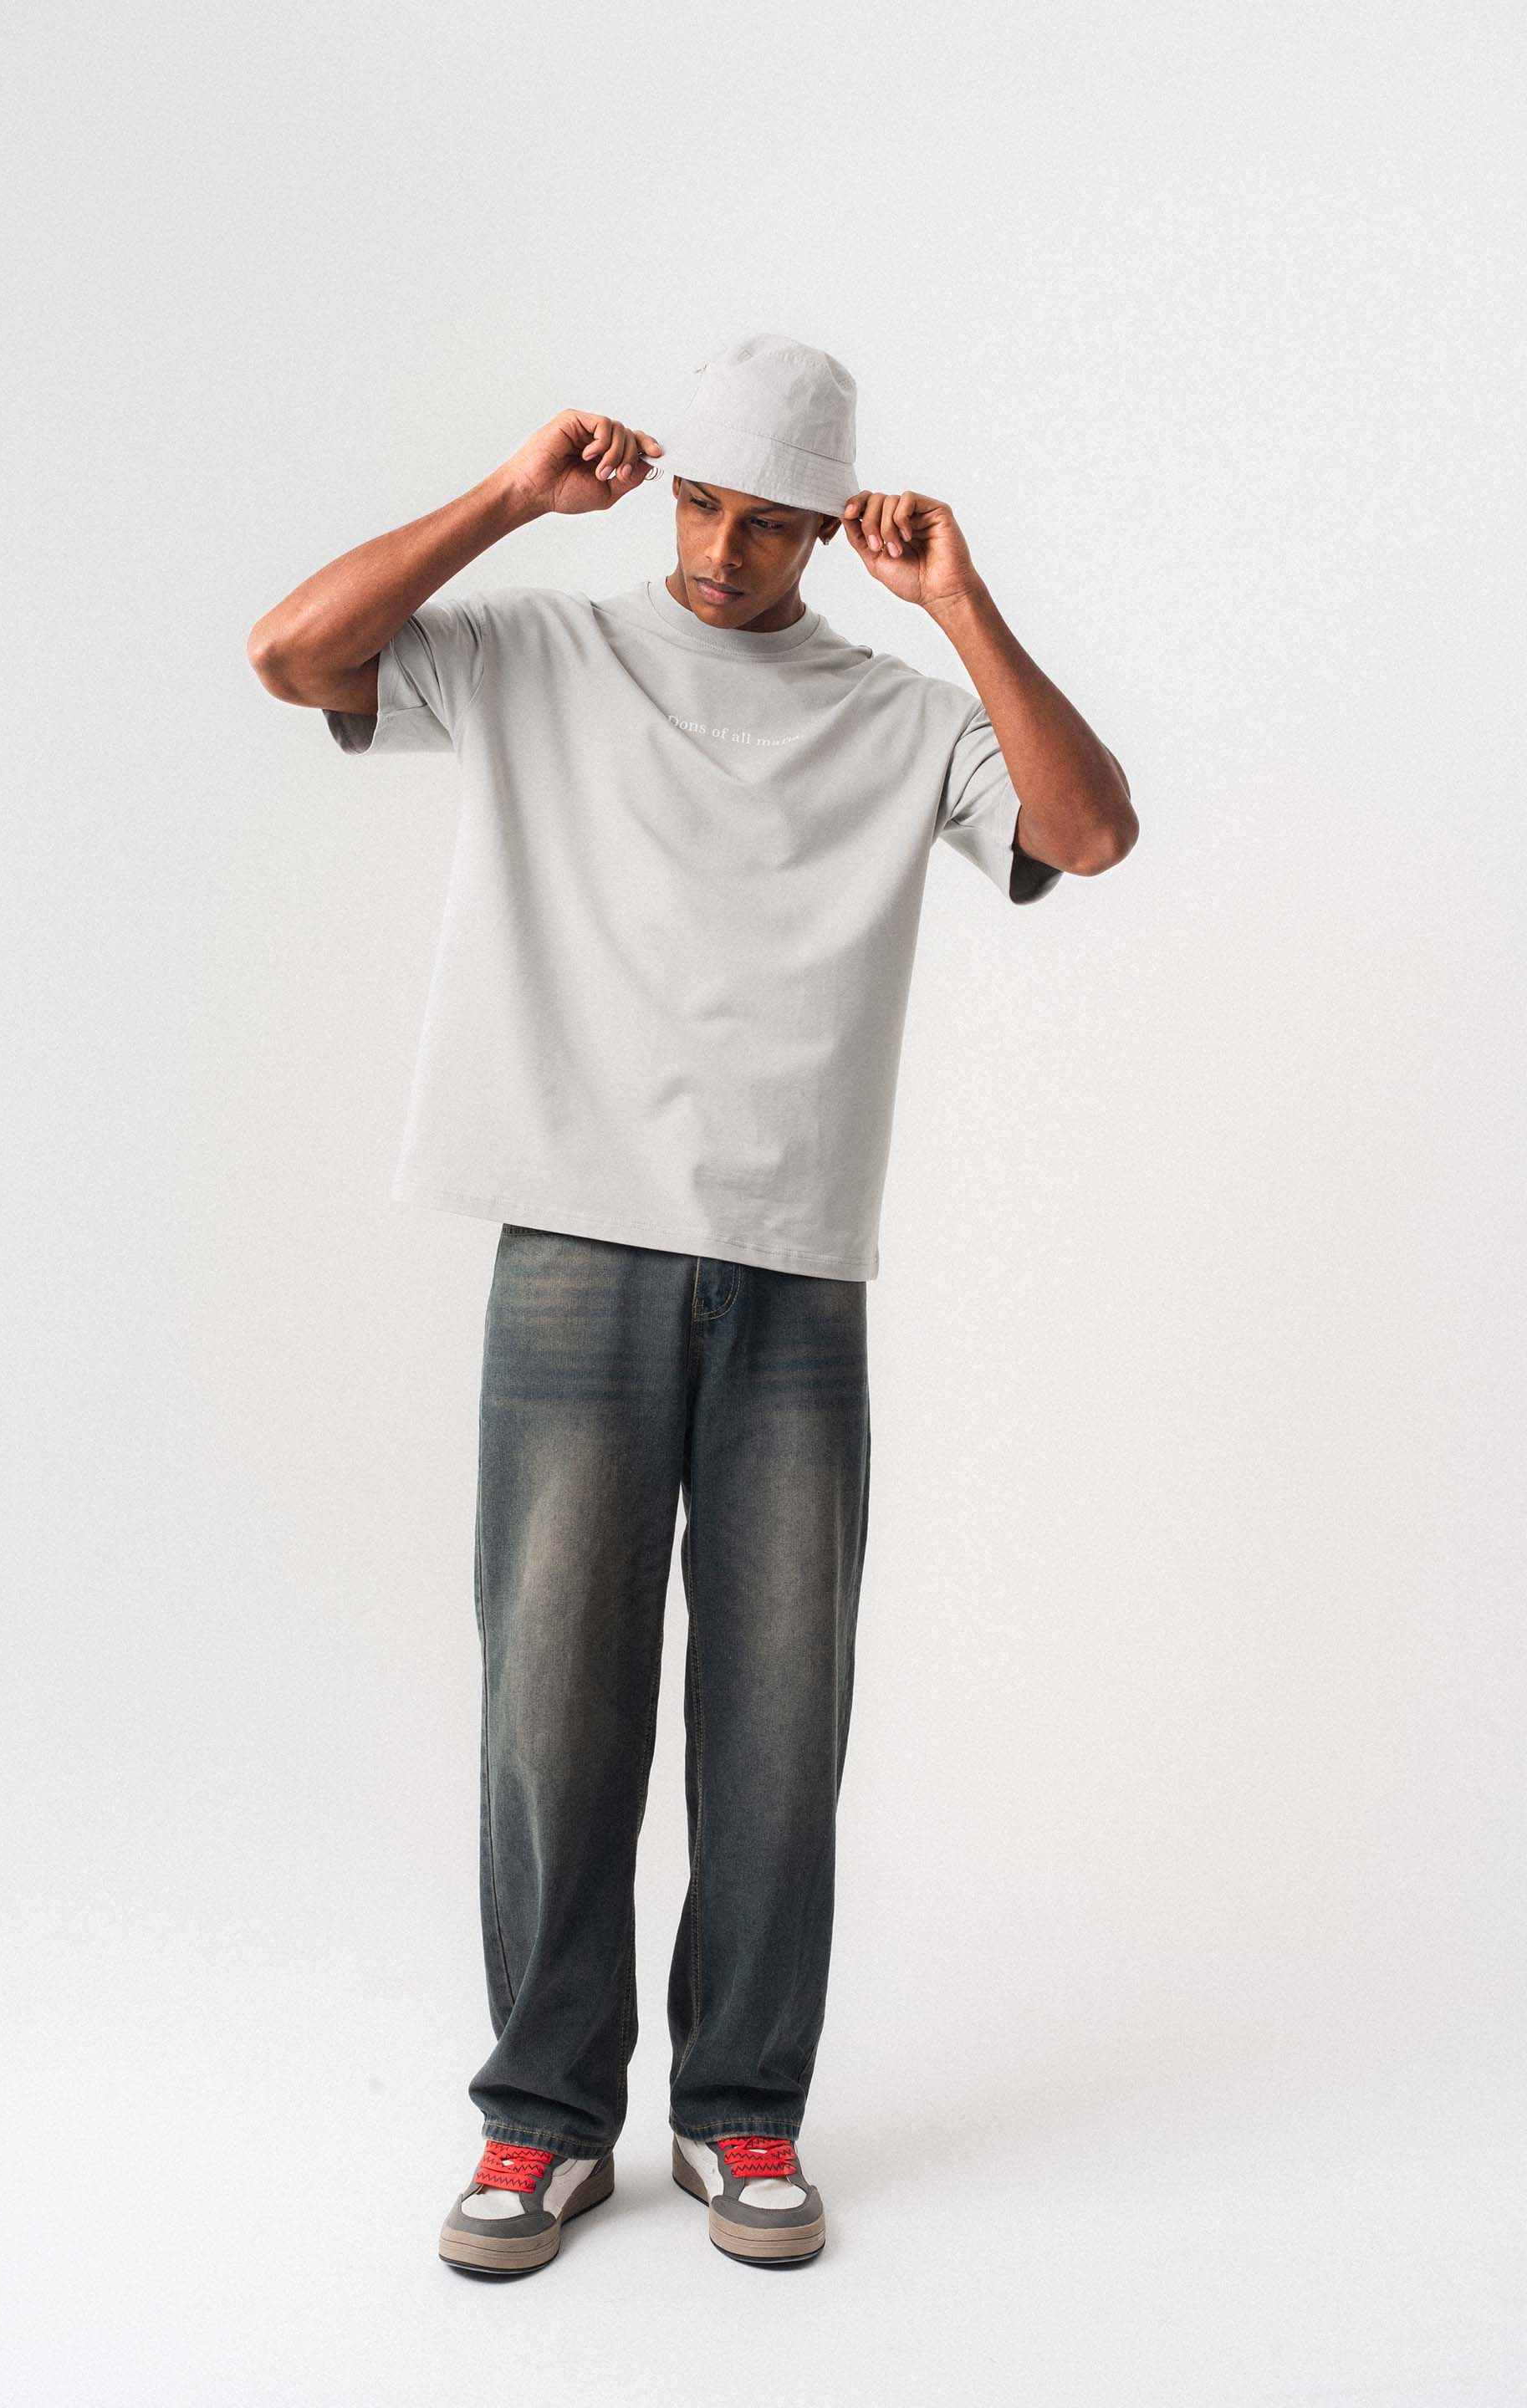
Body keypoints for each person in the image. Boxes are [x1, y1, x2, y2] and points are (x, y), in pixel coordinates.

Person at [247, 331, 1137, 2275]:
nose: (726, 552)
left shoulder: (899, 715)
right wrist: (510, 498)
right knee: (550, 1706)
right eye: (704, 507)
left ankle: (743, 2111)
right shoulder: (544, 655)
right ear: (665, 493)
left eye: (770, 523)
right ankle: (542, 2120)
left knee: (778, 1715)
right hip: (573, 1244)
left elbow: (1086, 832)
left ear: (829, 528)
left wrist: (962, 602)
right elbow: (292, 653)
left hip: (797, 1262)